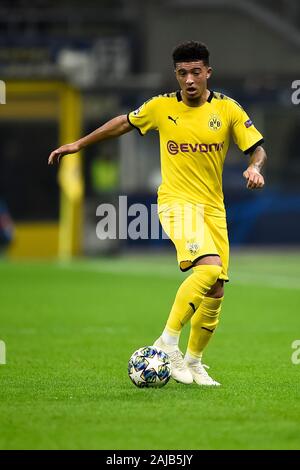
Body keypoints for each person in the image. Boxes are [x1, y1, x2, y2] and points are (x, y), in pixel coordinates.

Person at [49, 41, 266, 386]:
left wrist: (255, 168)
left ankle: (194, 362)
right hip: (176, 202)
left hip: (213, 207)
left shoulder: (228, 110)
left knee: (216, 288)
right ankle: (167, 342)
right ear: (176, 75)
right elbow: (123, 122)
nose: (190, 79)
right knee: (208, 269)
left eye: (196, 72)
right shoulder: (160, 107)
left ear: (208, 72)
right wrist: (78, 144)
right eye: (183, 73)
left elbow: (256, 149)